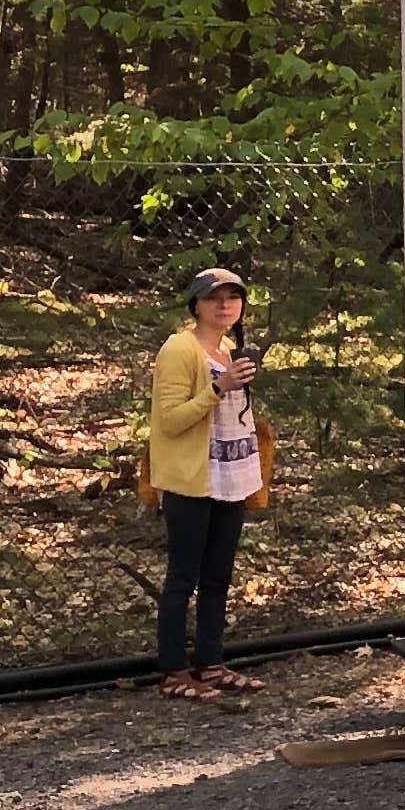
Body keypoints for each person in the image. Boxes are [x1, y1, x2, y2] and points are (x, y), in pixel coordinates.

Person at [147, 267, 270, 698]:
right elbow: (171, 419)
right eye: (214, 297)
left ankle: (211, 664)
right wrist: (220, 387)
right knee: (183, 576)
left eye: (233, 297)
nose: (224, 305)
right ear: (196, 304)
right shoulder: (179, 349)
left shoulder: (231, 351)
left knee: (218, 575)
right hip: (190, 478)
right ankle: (173, 673)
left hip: (231, 476)